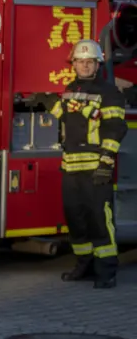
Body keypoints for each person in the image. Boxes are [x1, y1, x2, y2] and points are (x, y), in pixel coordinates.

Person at [52, 39, 128, 289]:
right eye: (80, 61)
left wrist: (106, 162)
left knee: (99, 220)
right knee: (76, 219)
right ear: (73, 64)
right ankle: (83, 264)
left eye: (89, 62)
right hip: (71, 168)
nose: (84, 65)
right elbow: (59, 117)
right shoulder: (70, 89)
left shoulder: (109, 93)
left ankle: (106, 271)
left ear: (97, 64)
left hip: (96, 167)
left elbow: (115, 128)